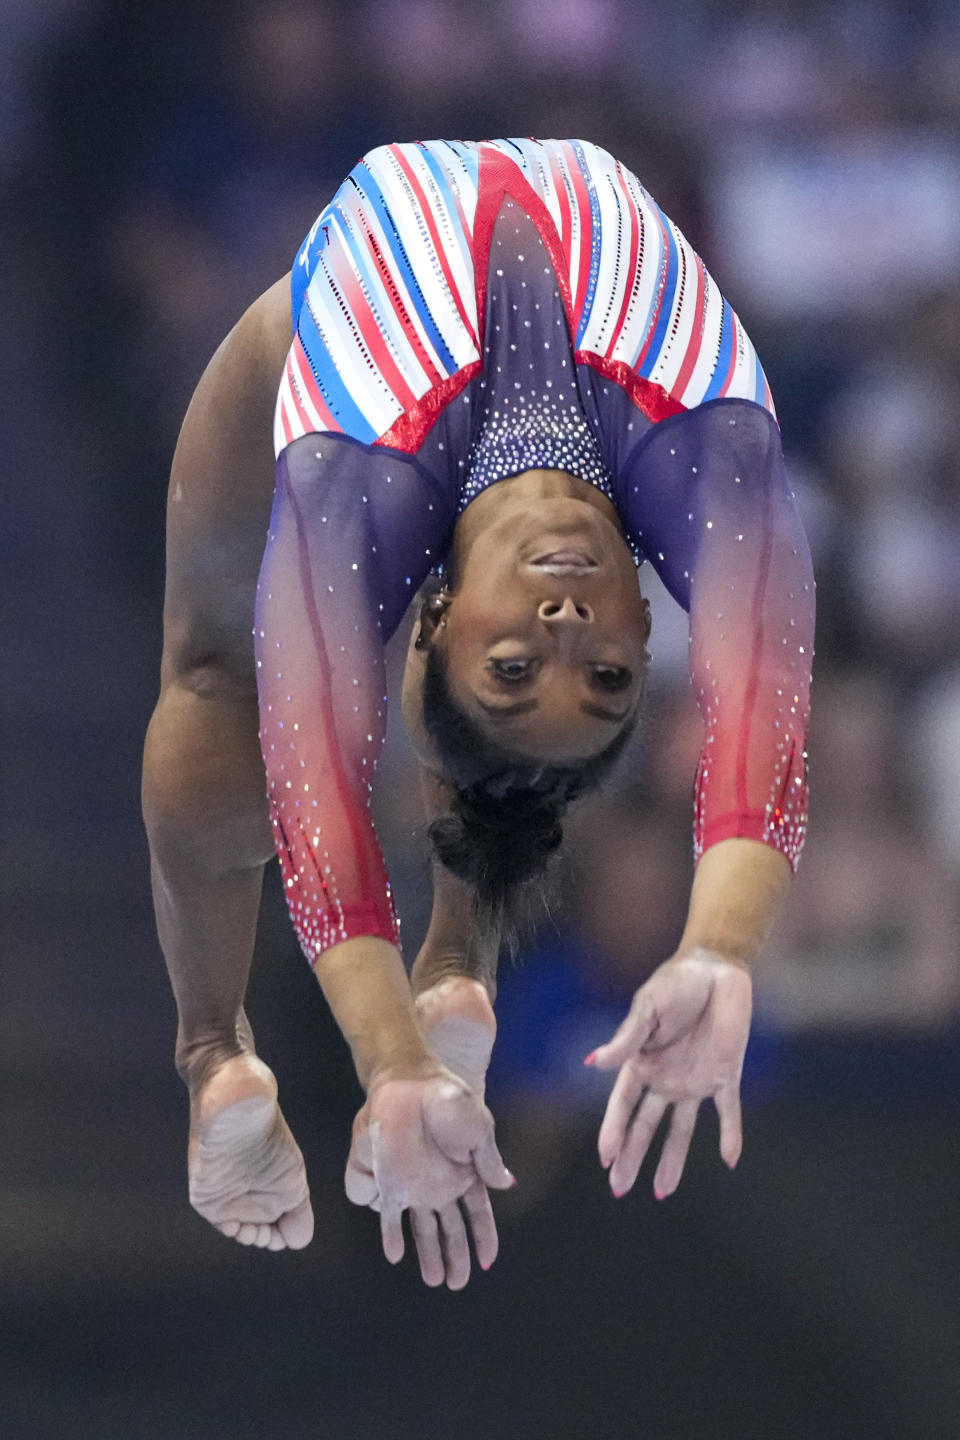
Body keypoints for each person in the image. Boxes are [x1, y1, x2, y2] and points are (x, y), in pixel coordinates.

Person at [141, 137, 813, 1290]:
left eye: (512, 661)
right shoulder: (710, 444)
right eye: (602, 673)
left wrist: (395, 1068)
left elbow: (322, 824)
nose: (563, 627)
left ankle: (216, 1058)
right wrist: (719, 950)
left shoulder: (355, 469)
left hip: (352, 369)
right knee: (296, 707)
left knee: (213, 683)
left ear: (433, 615)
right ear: (648, 634)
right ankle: (443, 965)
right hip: (441, 411)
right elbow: (767, 729)